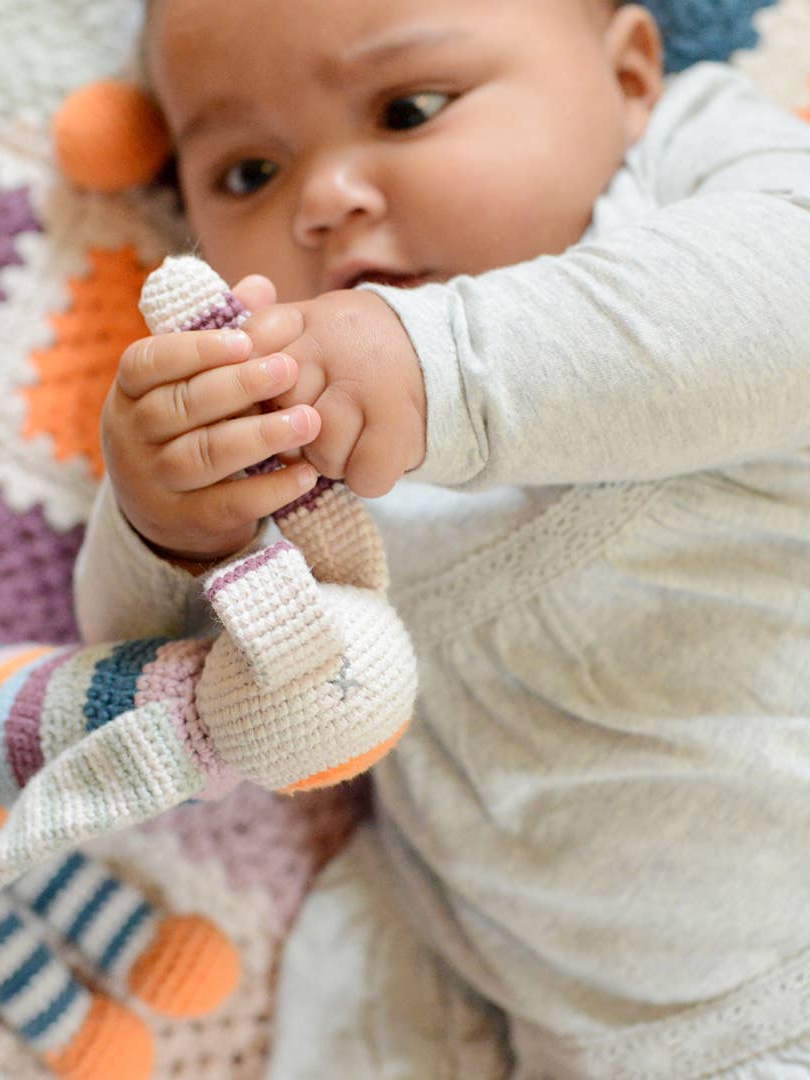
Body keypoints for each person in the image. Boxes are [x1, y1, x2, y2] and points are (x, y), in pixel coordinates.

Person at [78, 0, 810, 1075]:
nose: (326, 200)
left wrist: (439, 366)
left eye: (409, 109)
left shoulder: (683, 177)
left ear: (631, 76)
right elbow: (161, 694)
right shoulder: (276, 428)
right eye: (247, 175)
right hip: (623, 1042)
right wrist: (162, 524)